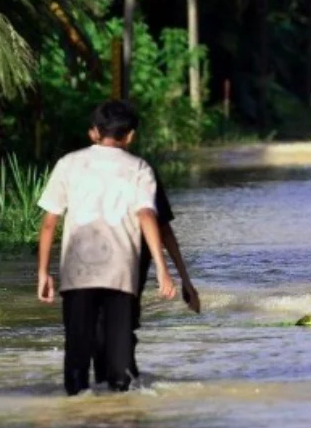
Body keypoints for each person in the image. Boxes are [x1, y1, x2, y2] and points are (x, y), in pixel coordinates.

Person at [36, 100, 176, 395]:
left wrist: (43, 272)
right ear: (130, 136)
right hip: (120, 273)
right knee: (119, 361)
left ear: (95, 133)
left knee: (76, 352)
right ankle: (120, 417)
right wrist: (163, 271)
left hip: (77, 274)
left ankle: (76, 416)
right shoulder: (138, 168)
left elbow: (50, 221)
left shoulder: (68, 164)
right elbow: (147, 217)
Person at [92, 164, 200, 383]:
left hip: (125, 262)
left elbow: (162, 226)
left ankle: (122, 391)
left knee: (111, 326)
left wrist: (183, 279)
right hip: (102, 261)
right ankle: (121, 391)